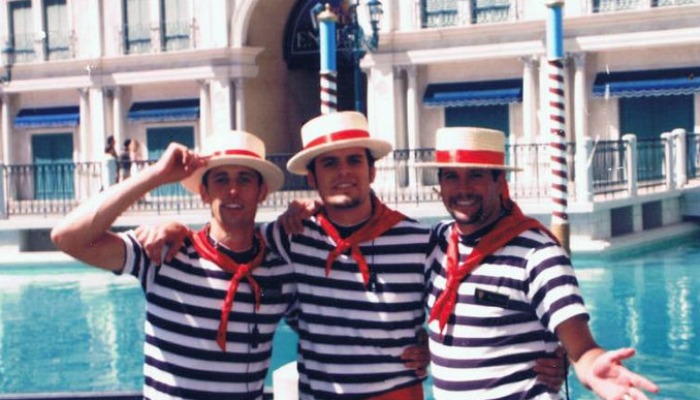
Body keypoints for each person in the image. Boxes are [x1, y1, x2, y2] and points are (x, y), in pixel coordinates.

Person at [136, 112, 567, 399]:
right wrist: (178, 230)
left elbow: (487, 275)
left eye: (352, 161)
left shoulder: (421, 240)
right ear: (313, 177)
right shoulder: (289, 237)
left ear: (371, 170)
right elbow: (229, 243)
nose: (343, 171)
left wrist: (557, 349)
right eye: (329, 163)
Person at [50, 131, 295, 399]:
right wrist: (156, 174)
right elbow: (68, 238)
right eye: (221, 179)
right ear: (204, 192)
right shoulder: (164, 254)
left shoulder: (278, 271)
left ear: (261, 192)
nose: (232, 190)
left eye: (244, 179)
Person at [419, 127, 660, 400]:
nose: (463, 188)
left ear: (500, 182)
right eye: (452, 176)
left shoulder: (538, 256)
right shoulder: (435, 243)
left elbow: (581, 349)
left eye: (476, 175)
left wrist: (593, 369)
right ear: (440, 184)